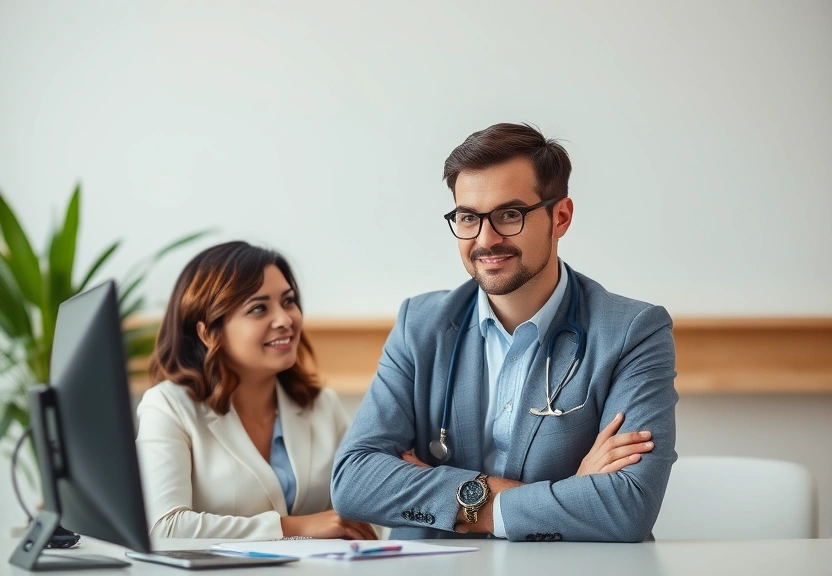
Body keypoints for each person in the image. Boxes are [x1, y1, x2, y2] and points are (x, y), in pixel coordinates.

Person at [331, 123, 678, 542]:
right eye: (467, 218)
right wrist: (567, 494)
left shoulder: (631, 332)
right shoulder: (420, 324)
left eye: (509, 215)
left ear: (560, 216)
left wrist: (447, 495)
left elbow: (626, 506)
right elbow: (353, 481)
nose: (486, 239)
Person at [136, 241, 376, 540]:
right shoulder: (168, 406)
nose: (285, 319)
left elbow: (363, 517)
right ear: (209, 332)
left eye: (288, 301)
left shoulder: (322, 405)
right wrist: (293, 527)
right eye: (259, 308)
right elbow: (166, 527)